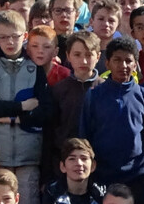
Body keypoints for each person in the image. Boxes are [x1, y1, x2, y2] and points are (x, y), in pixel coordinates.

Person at [79, 37, 144, 204]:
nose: (123, 65)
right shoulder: (94, 96)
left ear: (135, 64)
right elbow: (84, 140)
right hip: (102, 177)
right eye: (117, 60)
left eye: (128, 60)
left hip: (137, 178)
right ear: (107, 63)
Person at [0, 9, 46, 204]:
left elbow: (44, 111)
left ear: (24, 36)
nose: (9, 42)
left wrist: (8, 114)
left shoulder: (35, 68)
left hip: (29, 156)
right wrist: (21, 107)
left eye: (14, 37)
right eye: (3, 37)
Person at [40, 30, 101, 185]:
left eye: (89, 55)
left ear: (98, 56)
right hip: (63, 165)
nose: (84, 61)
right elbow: (50, 133)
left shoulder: (105, 90)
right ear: (68, 56)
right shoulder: (59, 90)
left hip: (99, 165)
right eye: (77, 55)